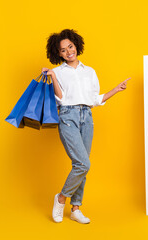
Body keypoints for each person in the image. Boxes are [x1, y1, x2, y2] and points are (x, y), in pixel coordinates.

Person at [42, 29, 130, 224]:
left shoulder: (89, 71)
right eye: (63, 50)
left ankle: (75, 209)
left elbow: (95, 99)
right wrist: (53, 79)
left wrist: (116, 89)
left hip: (87, 117)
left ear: (76, 45)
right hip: (67, 117)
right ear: (58, 53)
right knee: (83, 163)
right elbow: (60, 99)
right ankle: (61, 198)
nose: (68, 52)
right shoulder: (56, 72)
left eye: (70, 47)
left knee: (81, 166)